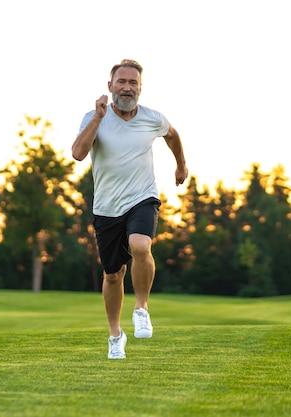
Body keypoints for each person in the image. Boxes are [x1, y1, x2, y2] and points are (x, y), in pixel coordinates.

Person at [72, 59, 188, 359]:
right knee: (113, 274)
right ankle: (115, 335)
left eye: (132, 83)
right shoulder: (93, 117)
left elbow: (172, 136)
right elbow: (78, 154)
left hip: (142, 197)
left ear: (140, 88)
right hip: (107, 207)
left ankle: (141, 307)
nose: (127, 87)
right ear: (110, 87)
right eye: (121, 82)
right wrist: (98, 119)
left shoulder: (152, 118)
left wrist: (181, 165)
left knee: (140, 245)